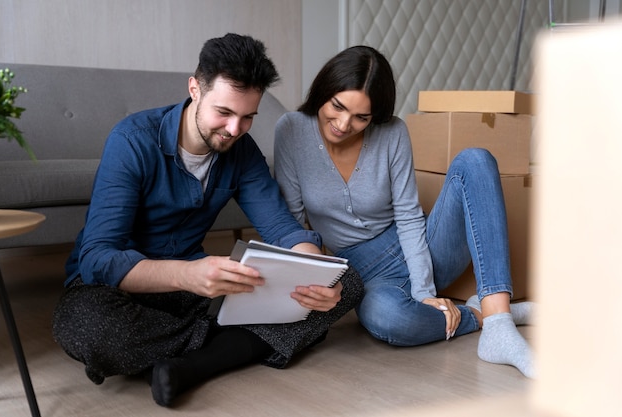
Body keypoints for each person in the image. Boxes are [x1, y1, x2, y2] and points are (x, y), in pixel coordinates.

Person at [52, 33, 364, 408]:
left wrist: (311, 275)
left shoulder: (241, 151)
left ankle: (184, 364)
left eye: (248, 117)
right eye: (225, 112)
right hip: (119, 289)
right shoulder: (133, 140)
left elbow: (282, 229)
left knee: (347, 282)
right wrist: (187, 275)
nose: (235, 129)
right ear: (194, 89)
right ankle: (224, 352)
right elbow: (98, 259)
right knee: (85, 326)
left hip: (193, 293)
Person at [273, 45, 535, 378]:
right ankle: (482, 314)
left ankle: (498, 322)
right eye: (337, 107)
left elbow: (410, 217)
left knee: (475, 160)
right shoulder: (291, 130)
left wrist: (424, 293)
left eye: (361, 117)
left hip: (420, 246)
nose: (343, 124)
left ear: (375, 116)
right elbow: (293, 221)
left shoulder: (392, 132)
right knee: (390, 320)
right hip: (360, 270)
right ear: (322, 91)